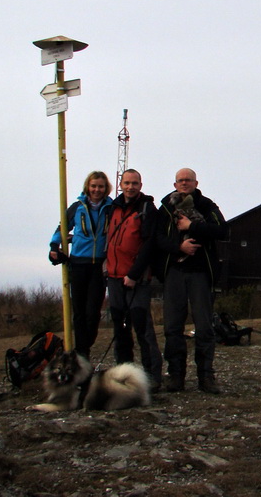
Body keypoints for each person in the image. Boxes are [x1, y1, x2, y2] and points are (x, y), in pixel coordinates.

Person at [156, 167, 229, 394]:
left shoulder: (206, 206)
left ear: (196, 183)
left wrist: (191, 227)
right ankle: (176, 376)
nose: (184, 183)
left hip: (200, 273)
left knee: (205, 327)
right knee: (172, 327)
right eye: (180, 180)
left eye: (188, 180)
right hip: (174, 273)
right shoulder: (166, 207)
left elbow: (222, 230)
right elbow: (157, 238)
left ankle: (206, 377)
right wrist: (179, 246)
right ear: (175, 183)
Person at [105, 168, 163, 393]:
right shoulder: (113, 208)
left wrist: (134, 274)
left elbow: (149, 245)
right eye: (127, 183)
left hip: (137, 279)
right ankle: (124, 376)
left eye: (135, 183)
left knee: (142, 328)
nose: (130, 187)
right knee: (120, 330)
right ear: (120, 184)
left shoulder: (148, 209)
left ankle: (152, 377)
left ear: (141, 184)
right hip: (113, 276)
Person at [49, 170, 113, 359]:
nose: (96, 190)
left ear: (105, 188)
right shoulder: (77, 207)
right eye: (93, 186)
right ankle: (82, 352)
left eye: (100, 186)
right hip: (78, 264)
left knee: (93, 313)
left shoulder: (111, 208)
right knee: (79, 312)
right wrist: (54, 246)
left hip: (99, 265)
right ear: (87, 187)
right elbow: (62, 228)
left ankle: (85, 345)